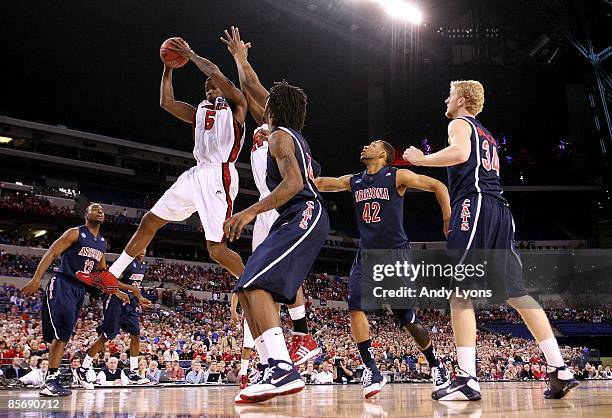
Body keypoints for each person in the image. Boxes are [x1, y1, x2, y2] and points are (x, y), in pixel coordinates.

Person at [402, 79, 578, 400]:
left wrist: (421, 159)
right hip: (499, 209)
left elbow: (459, 153)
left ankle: (467, 379)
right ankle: (559, 368)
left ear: (462, 100)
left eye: (450, 94)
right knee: (516, 293)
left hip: (475, 204)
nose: (446, 98)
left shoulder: (460, 123)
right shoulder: (489, 135)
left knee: (459, 291)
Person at [77, 35, 247, 301]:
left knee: (215, 249)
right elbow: (166, 103)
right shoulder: (198, 111)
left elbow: (214, 71)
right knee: (150, 221)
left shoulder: (237, 105)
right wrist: (168, 67)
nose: (210, 89)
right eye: (207, 89)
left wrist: (189, 55)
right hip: (197, 173)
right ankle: (111, 274)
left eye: (214, 87)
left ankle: (254, 283)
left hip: (220, 174)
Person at [222, 27, 321, 389]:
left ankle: (291, 353)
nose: (260, 103)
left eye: (267, 104)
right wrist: (240, 58)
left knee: (257, 282)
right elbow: (251, 85)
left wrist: (247, 212)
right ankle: (273, 365)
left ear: (274, 110)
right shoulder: (283, 129)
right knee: (247, 285)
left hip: (300, 212)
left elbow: (294, 185)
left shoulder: (280, 135)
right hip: (288, 213)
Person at [315, 140, 452, 398]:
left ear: (383, 154)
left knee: (407, 319)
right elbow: (323, 183)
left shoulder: (396, 175)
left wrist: (447, 218)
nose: (365, 146)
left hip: (395, 254)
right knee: (354, 306)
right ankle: (372, 369)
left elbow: (437, 185)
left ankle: (436, 364)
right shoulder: (355, 180)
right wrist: (297, 175)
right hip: (367, 254)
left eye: (372, 144)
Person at [21, 204, 129, 396]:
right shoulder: (75, 233)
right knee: (62, 332)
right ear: (86, 215)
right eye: (94, 209)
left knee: (64, 333)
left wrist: (115, 290)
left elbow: (101, 273)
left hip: (79, 289)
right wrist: (36, 278)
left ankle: (51, 379)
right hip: (63, 282)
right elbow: (52, 252)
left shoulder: (102, 243)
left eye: (102, 210)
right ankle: (50, 380)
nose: (99, 211)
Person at [79, 249, 151, 385]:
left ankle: (133, 372)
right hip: (115, 300)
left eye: (144, 248)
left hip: (130, 303)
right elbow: (110, 280)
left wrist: (140, 298)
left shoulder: (143, 266)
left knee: (136, 335)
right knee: (106, 336)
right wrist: (132, 289)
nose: (141, 250)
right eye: (140, 247)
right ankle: (83, 369)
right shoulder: (126, 263)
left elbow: (136, 288)